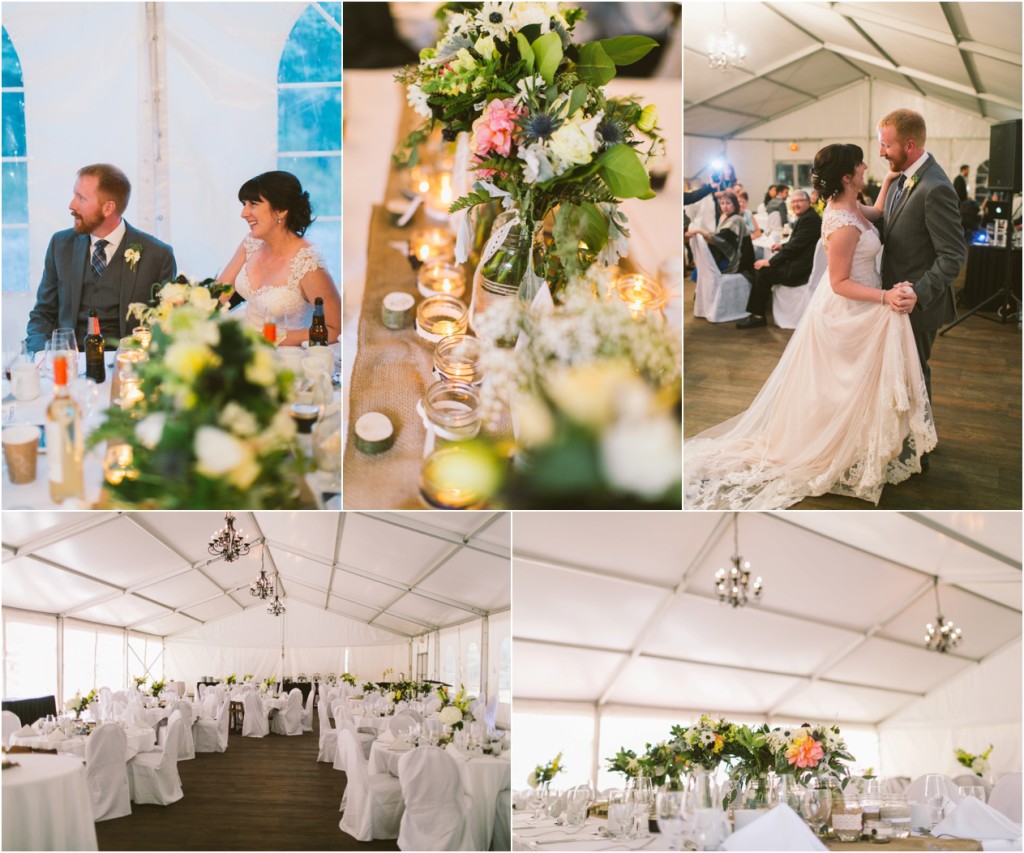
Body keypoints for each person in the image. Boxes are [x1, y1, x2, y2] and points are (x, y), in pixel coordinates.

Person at [685, 144, 935, 509]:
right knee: (840, 385)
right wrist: (885, 298)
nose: (867, 165)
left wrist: (891, 181)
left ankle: (854, 443)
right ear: (848, 176)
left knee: (851, 385)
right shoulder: (842, 222)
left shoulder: (852, 206)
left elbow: (877, 213)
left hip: (861, 308)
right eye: (860, 163)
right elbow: (839, 283)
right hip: (847, 309)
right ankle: (832, 446)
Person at [26, 164, 176, 354]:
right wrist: (42, 354)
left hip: (127, 366)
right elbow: (43, 313)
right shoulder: (61, 245)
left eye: (81, 198)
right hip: (69, 361)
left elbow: (165, 325)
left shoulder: (157, 255)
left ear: (108, 208)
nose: (72, 205)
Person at [877, 108, 966, 411]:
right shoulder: (902, 179)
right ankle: (912, 441)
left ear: (910, 145)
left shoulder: (935, 187)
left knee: (913, 375)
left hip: (917, 302)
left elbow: (953, 255)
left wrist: (918, 292)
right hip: (895, 298)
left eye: (887, 145)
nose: (881, 152)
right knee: (901, 374)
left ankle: (919, 452)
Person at [219, 171, 341, 345]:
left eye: (253, 204)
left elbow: (334, 329)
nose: (243, 213)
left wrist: (266, 340)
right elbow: (220, 291)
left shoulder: (307, 262)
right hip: (242, 344)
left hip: (285, 356)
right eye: (244, 204)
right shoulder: (250, 243)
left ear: (282, 210)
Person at [735, 189, 822, 328]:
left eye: (800, 201)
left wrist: (769, 261)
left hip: (800, 269)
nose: (796, 204)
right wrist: (782, 246)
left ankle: (758, 316)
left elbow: (794, 248)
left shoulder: (810, 220)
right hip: (801, 262)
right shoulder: (808, 216)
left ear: (808, 202)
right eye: (794, 201)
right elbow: (798, 243)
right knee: (761, 269)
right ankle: (757, 312)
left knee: (762, 272)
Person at [684, 191, 750, 275]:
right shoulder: (725, 217)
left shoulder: (736, 219)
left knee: (705, 268)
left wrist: (698, 231)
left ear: (735, 204)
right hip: (725, 253)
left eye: (728, 203)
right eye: (722, 203)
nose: (725, 206)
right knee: (701, 267)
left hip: (735, 258)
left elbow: (719, 239)